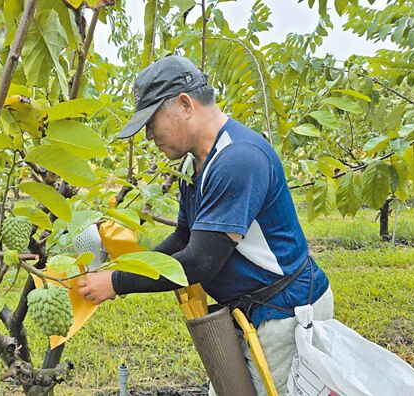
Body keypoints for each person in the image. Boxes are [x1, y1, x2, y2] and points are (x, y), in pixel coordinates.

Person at [76, 55, 334, 395]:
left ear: (185, 104)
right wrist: (125, 267)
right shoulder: (195, 165)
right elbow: (184, 237)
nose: (149, 134)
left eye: (152, 121)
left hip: (285, 314)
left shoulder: (238, 158)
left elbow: (199, 260)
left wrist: (117, 282)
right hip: (250, 313)